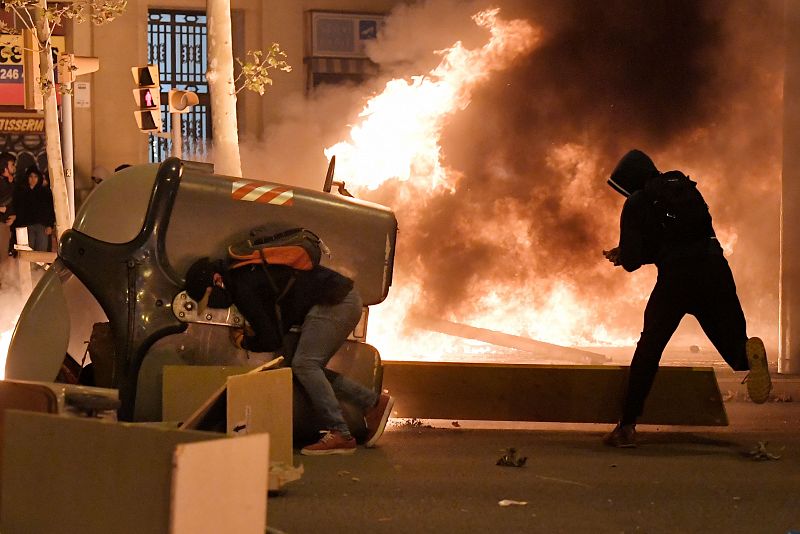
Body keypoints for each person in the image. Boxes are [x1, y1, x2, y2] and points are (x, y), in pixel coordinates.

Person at [602, 149, 771, 448]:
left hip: (676, 281)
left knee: (649, 348)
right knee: (731, 344)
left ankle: (626, 426)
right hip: (714, 271)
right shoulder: (683, 190)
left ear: (629, 181)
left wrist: (625, 255)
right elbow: (685, 238)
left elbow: (631, 260)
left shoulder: (638, 201)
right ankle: (749, 358)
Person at [184, 255, 395, 456]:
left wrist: (243, 341)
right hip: (340, 299)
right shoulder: (244, 271)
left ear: (217, 280)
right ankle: (372, 403)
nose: (213, 303)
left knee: (305, 366)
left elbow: (271, 339)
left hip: (335, 303)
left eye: (209, 297)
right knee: (306, 368)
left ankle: (340, 433)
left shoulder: (242, 286)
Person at [13, 166, 55, 252]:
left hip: (42, 226)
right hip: (26, 226)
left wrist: (50, 225)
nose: (33, 179)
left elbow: (50, 210)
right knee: (27, 254)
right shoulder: (22, 192)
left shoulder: (45, 192)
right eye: (31, 176)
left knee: (41, 254)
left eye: (35, 177)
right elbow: (18, 209)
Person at [0, 153, 17, 261]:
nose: (14, 167)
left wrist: (14, 215)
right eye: (12, 165)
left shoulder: (11, 183)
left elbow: (15, 203)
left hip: (6, 225)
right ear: (5, 167)